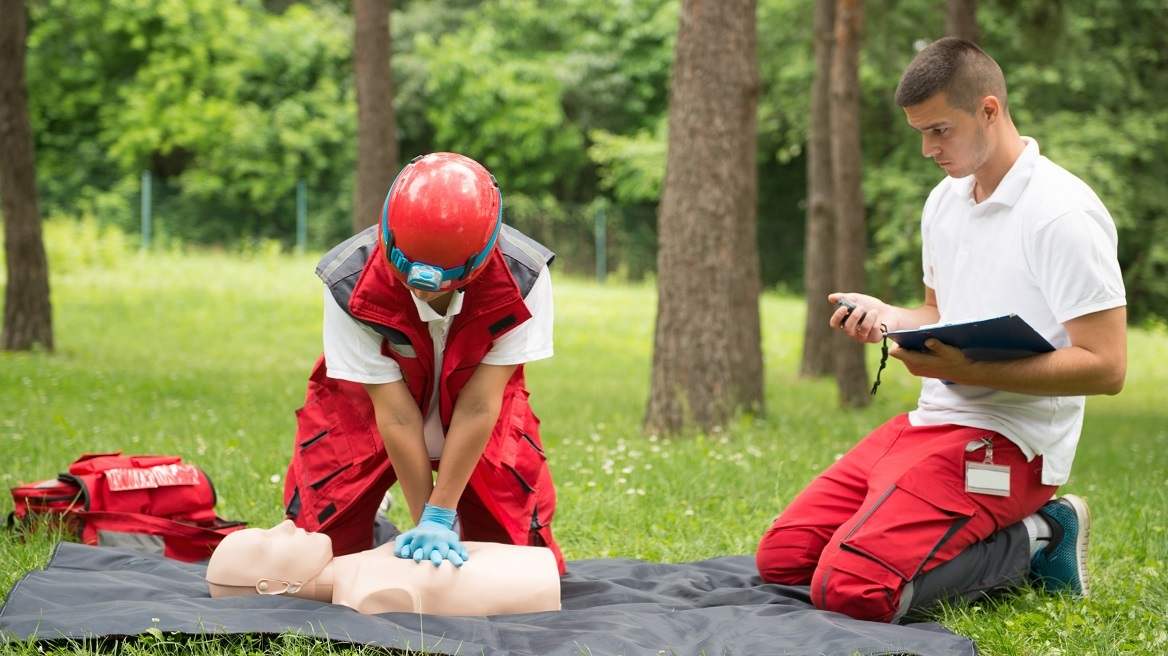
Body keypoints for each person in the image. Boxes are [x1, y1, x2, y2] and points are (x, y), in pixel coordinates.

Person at [756, 37, 1127, 623]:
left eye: (939, 130)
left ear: (988, 110)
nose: (928, 148)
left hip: (1012, 443)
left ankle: (1036, 537)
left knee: (850, 590)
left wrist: (969, 370)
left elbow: (1107, 368)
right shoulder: (944, 201)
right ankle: (905, 537)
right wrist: (886, 318)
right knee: (785, 559)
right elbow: (938, 315)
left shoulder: (1063, 214)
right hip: (933, 422)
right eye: (920, 132)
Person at [282, 152, 565, 573]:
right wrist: (423, 523)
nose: (421, 293)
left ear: (480, 259)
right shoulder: (349, 281)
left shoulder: (524, 277)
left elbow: (479, 403)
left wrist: (441, 515)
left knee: (521, 564)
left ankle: (445, 514)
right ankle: (380, 516)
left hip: (478, 416)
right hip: (363, 417)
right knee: (314, 563)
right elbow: (394, 415)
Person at [206, 520, 561, 615]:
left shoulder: (360, 572)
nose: (284, 525)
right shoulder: (370, 595)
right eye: (268, 541)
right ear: (272, 585)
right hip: (538, 583)